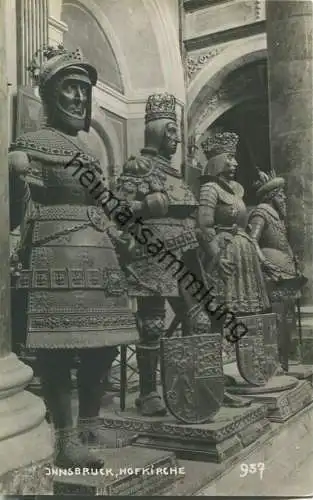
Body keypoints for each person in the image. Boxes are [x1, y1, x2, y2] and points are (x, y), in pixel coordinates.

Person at [9, 45, 138, 468]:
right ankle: (65, 439)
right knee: (60, 347)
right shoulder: (32, 143)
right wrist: (15, 172)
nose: (81, 98)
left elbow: (104, 202)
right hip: (57, 249)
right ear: (49, 94)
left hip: (98, 251)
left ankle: (89, 422)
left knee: (105, 343)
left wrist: (123, 230)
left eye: (84, 89)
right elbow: (16, 208)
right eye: (70, 87)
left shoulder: (86, 151)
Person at [115, 92, 207, 417]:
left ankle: (188, 381)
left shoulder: (175, 174)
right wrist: (145, 205)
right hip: (152, 253)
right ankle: (148, 392)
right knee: (152, 324)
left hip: (185, 255)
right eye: (171, 131)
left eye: (177, 132)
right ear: (157, 131)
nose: (177, 138)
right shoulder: (139, 167)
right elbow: (117, 210)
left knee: (197, 317)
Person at [248, 169, 307, 371]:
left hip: (286, 274)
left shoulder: (277, 218)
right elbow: (251, 240)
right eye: (280, 195)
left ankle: (285, 360)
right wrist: (264, 262)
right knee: (275, 318)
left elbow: (282, 244)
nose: (283, 199)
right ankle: (273, 362)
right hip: (272, 274)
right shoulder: (261, 212)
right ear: (272, 196)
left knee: (286, 318)